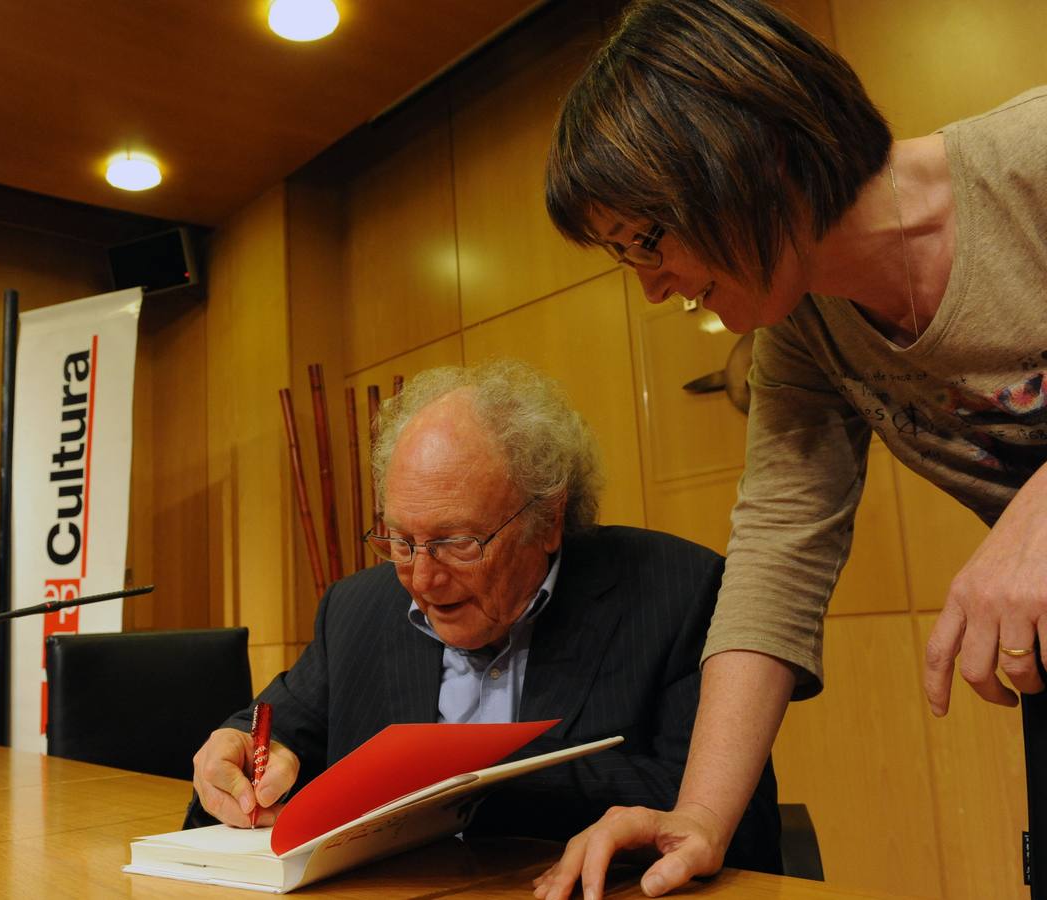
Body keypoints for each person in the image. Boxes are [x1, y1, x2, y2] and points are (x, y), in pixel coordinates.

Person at [535, 0, 1047, 897]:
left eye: (647, 240)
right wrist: (696, 818)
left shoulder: (1030, 165)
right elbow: (777, 555)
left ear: (753, 154)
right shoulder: (804, 337)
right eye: (626, 258)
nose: (653, 287)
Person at [186, 359, 781, 872]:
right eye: (399, 540)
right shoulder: (357, 609)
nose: (422, 579)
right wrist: (234, 746)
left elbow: (733, 820)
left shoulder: (674, 590)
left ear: (547, 521)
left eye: (458, 542)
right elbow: (274, 721)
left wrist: (478, 774)